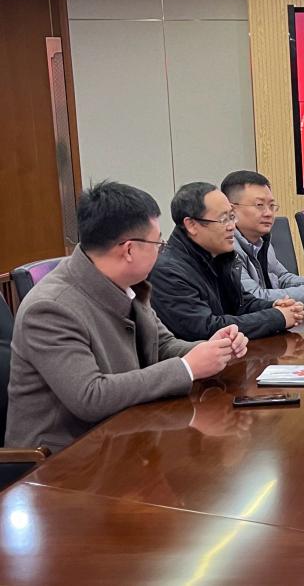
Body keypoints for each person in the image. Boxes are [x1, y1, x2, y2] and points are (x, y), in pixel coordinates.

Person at [5, 181, 247, 452]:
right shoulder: (50, 308)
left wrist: (213, 351)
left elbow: (162, 345)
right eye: (158, 243)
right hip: (63, 459)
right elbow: (90, 396)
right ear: (129, 249)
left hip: (124, 436)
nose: (161, 250)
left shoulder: (127, 284)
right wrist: (188, 368)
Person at [149, 182, 304, 341]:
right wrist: (277, 317)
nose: (232, 226)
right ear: (192, 225)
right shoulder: (167, 272)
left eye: (232, 217)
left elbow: (241, 303)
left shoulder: (218, 255)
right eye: (223, 219)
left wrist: (275, 306)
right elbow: (206, 329)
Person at [221, 170, 304, 308]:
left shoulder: (261, 240)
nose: (268, 213)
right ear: (232, 210)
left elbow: (282, 279)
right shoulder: (225, 247)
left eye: (272, 206)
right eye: (259, 205)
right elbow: (253, 298)